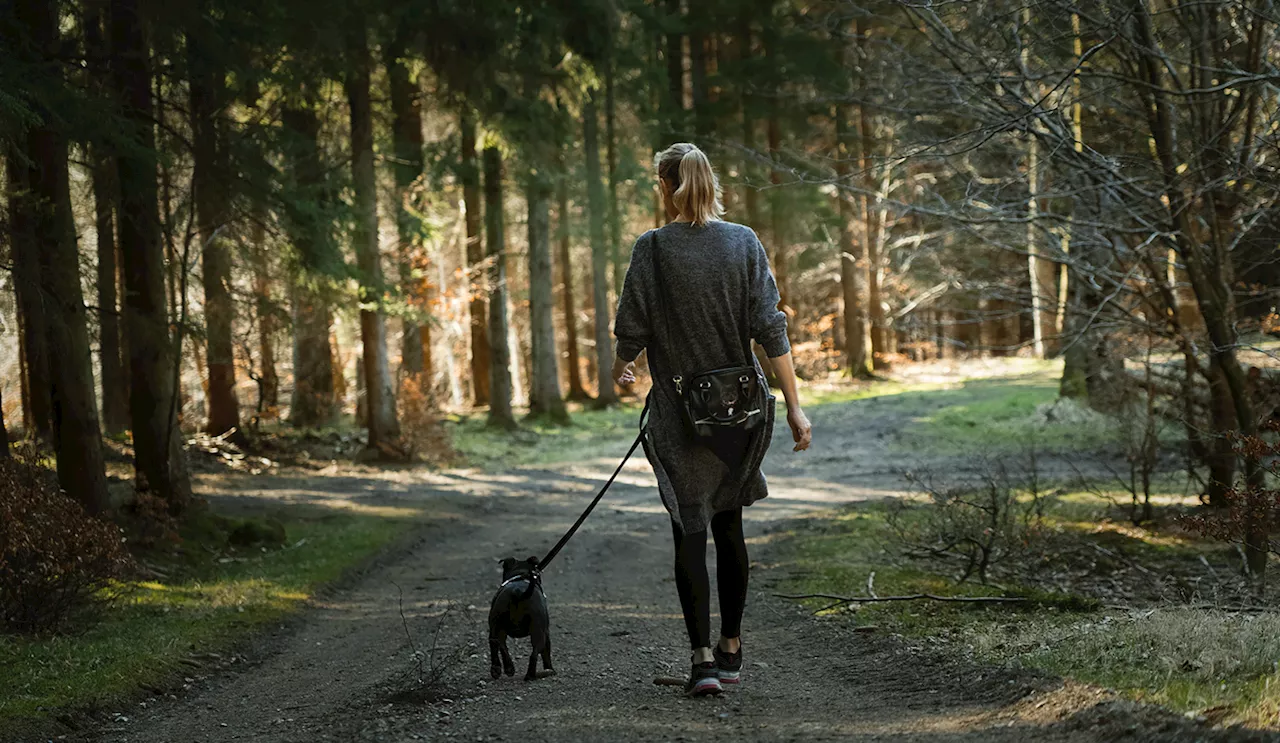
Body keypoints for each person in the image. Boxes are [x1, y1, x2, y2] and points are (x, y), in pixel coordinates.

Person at [612, 142, 813, 697]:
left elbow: (631, 328)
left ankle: (700, 660)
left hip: (679, 413)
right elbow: (771, 329)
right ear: (709, 183)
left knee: (689, 527)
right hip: (742, 410)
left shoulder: (652, 250)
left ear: (664, 186)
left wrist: (622, 370)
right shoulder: (743, 242)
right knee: (730, 526)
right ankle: (731, 648)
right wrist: (794, 405)